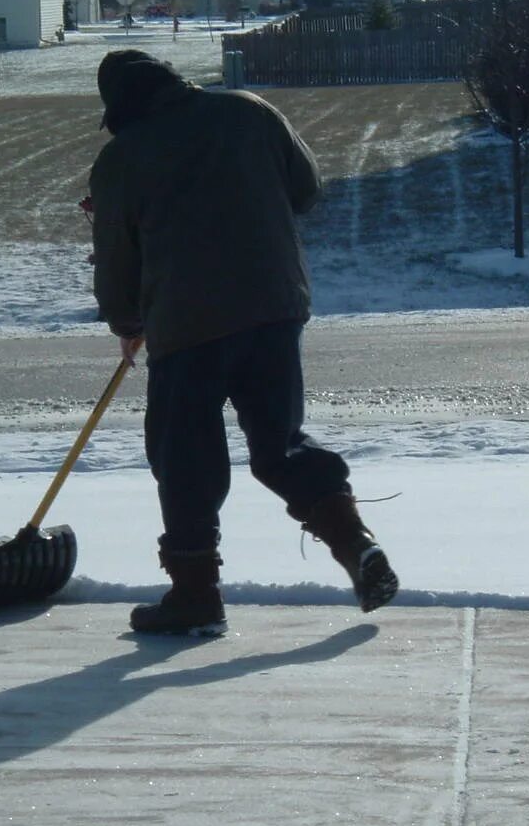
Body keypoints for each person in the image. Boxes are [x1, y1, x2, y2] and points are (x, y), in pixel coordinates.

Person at [88, 49, 398, 637]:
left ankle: (195, 596)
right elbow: (304, 191)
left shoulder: (120, 159)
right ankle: (354, 542)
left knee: (185, 460)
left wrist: (126, 322)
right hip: (273, 309)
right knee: (279, 444)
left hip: (186, 327)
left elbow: (116, 260)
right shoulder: (250, 111)